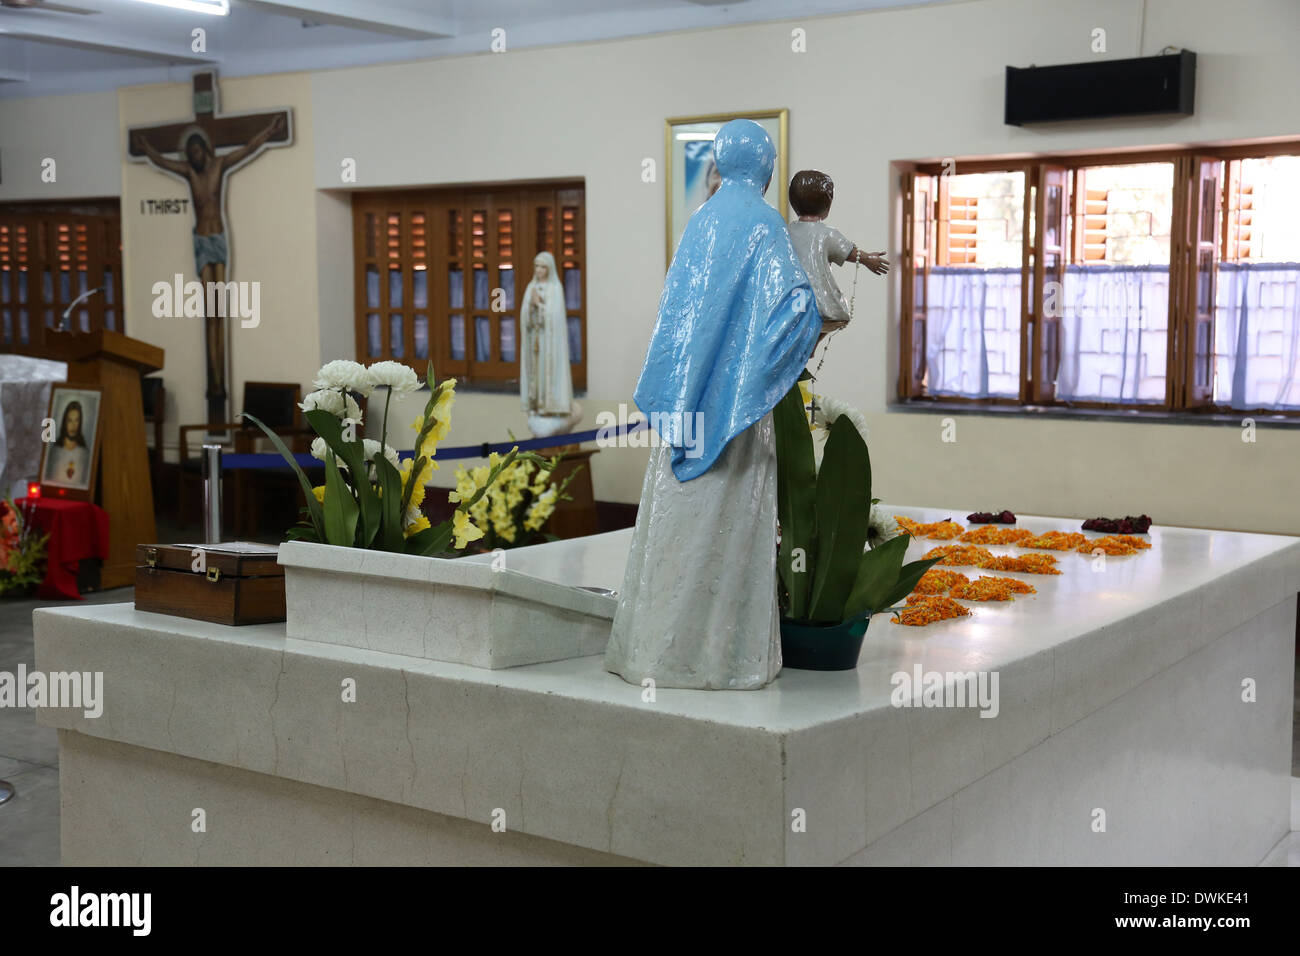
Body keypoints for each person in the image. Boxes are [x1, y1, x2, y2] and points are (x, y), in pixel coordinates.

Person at [604, 119, 821, 691]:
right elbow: (792, 312)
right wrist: (815, 314)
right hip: (739, 419)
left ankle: (653, 653)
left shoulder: (701, 222)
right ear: (768, 169)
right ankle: (727, 660)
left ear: (722, 164)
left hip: (688, 414)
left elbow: (676, 324)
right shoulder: (765, 223)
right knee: (731, 523)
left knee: (672, 525)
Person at [786, 169, 888, 342]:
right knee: (832, 316)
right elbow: (850, 252)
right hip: (817, 294)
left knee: (798, 324)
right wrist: (867, 259)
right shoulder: (826, 233)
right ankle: (810, 347)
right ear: (827, 204)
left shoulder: (787, 231)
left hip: (793, 294)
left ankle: (806, 348)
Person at [518, 251, 574, 421]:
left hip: (550, 343)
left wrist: (538, 304)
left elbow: (554, 316)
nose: (539, 270)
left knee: (547, 370)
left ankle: (550, 405)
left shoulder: (555, 289)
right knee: (535, 371)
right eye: (536, 266)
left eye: (543, 266)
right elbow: (524, 316)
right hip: (535, 339)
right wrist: (530, 305)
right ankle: (536, 403)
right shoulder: (531, 287)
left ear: (549, 269)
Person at [43, 400, 91, 488]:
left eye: (77, 420)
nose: (73, 425)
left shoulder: (85, 454)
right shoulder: (55, 452)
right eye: (70, 420)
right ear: (64, 422)